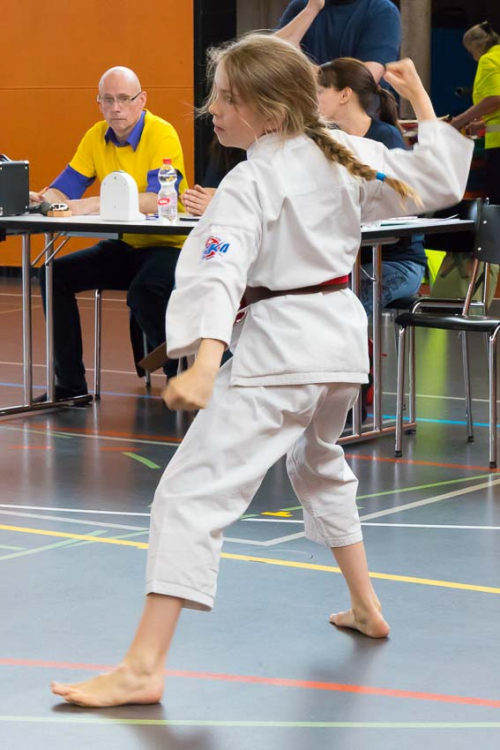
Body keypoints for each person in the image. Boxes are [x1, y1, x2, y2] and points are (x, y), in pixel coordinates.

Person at [50, 35, 472, 707]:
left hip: (283, 355)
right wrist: (420, 97)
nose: (212, 110)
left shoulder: (250, 181)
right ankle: (366, 606)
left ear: (269, 109)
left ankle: (142, 667)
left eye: (226, 99)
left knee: (188, 495)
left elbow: (216, 273)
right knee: (319, 461)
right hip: (340, 350)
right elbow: (438, 183)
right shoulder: (348, 152)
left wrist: (204, 362)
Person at [32, 66, 188, 402]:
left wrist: (92, 204)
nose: (116, 108)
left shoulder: (161, 133)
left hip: (172, 246)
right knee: (52, 274)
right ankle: (70, 387)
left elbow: (158, 198)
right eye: (108, 100)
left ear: (141, 100)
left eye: (124, 99)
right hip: (127, 245)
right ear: (99, 103)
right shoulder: (95, 136)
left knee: (145, 290)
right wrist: (43, 200)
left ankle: (185, 373)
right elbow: (65, 189)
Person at [318, 57, 427, 316]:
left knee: (340, 310)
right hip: (349, 263)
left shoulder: (385, 138)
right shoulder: (328, 141)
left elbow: (402, 201)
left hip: (395, 263)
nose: (314, 99)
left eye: (320, 91)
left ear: (344, 95)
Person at [276, 0, 401, 82]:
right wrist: (311, 9)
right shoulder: (302, 6)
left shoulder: (382, 11)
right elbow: (271, 59)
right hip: (302, 108)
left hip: (357, 112)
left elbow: (365, 78)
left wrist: (301, 67)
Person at [450, 21, 500, 205]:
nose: (472, 56)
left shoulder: (489, 60)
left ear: (477, 46)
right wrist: (483, 123)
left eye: (470, 51)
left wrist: (460, 120)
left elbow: (495, 98)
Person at [181, 138, 245, 216]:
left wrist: (218, 206)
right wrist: (195, 200)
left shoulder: (257, 157)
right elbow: (209, 190)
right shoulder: (223, 145)